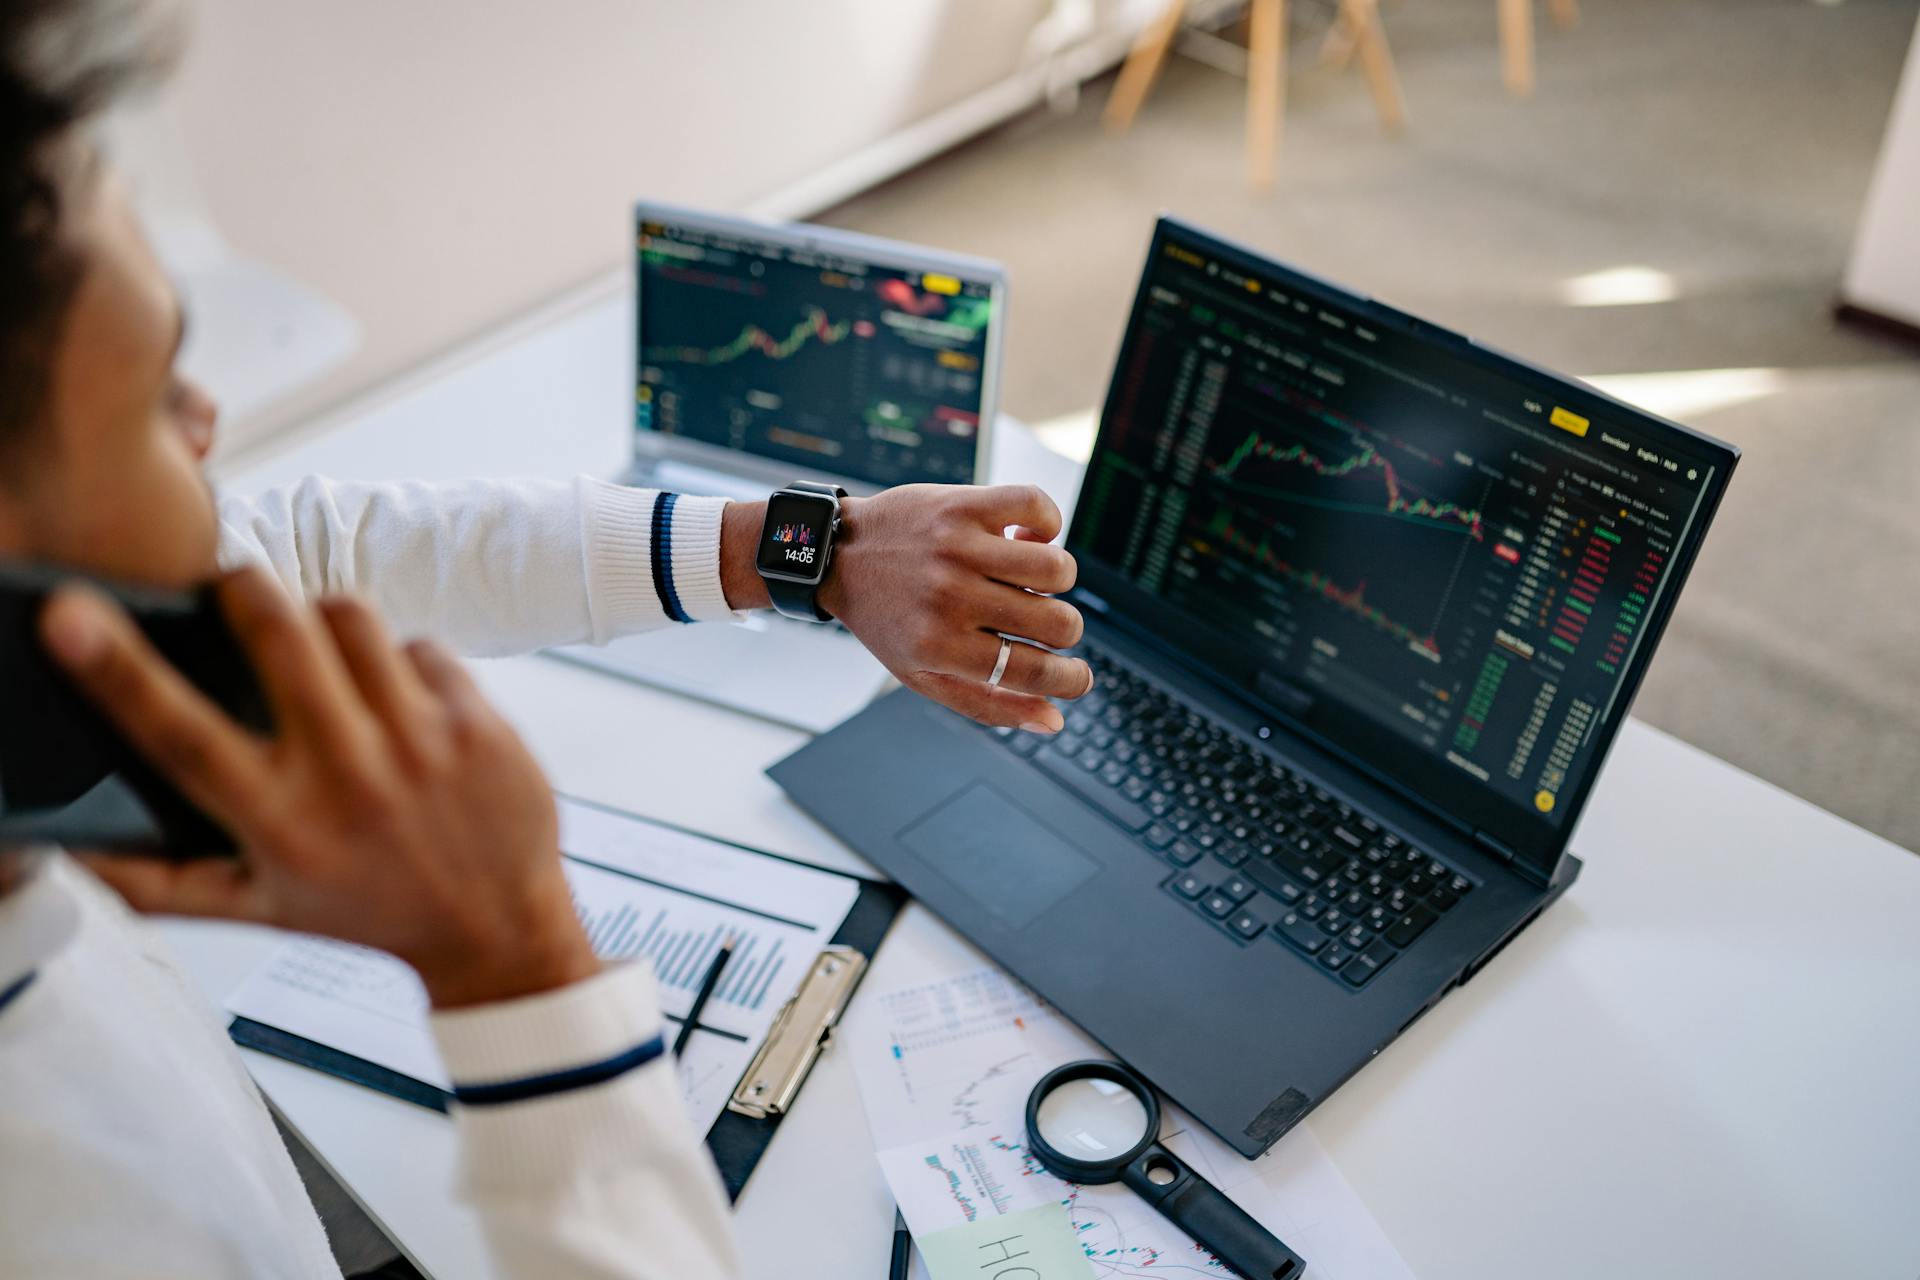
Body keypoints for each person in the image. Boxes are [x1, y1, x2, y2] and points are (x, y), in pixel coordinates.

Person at [0, 2, 1091, 1276]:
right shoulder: (73, 1207)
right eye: (151, 396)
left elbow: (303, 547)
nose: (208, 420)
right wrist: (514, 968)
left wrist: (815, 552)